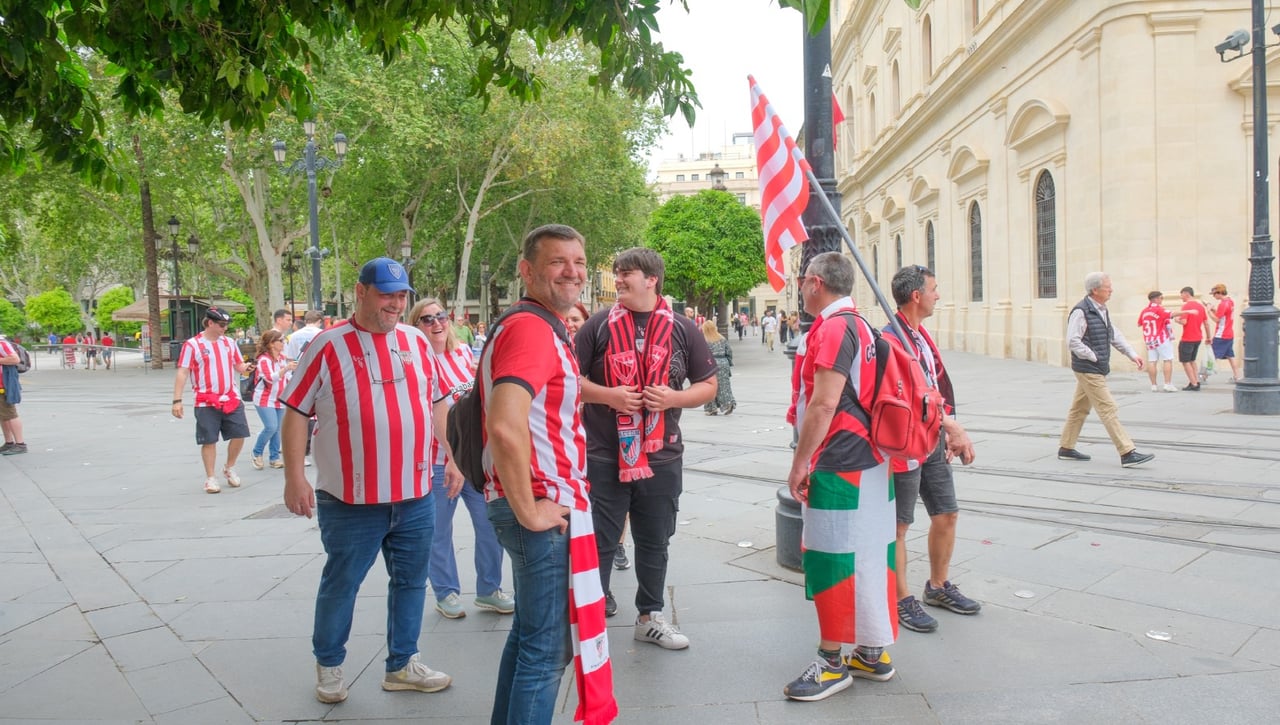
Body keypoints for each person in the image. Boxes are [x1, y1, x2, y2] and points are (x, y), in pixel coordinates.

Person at [281, 257, 451, 705]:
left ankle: (402, 664)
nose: (395, 304)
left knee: (413, 582)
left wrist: (454, 457)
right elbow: (296, 410)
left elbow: (439, 405)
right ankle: (330, 664)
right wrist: (294, 477)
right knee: (342, 582)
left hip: (415, 493)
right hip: (351, 499)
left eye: (401, 296)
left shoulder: (417, 341)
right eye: (386, 294)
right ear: (361, 292)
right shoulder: (327, 345)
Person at [480, 224, 616, 724]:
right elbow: (504, 424)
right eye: (558, 262)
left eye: (579, 262)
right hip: (544, 504)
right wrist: (528, 508)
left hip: (544, 500)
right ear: (528, 271)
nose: (573, 272)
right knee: (547, 651)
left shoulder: (536, 326)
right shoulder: (532, 328)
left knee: (529, 638)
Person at [578, 246, 717, 649]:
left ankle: (649, 615)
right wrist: (610, 395)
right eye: (617, 272)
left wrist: (672, 399)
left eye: (626, 274)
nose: (617, 279)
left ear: (651, 279)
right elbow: (569, 379)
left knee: (655, 539)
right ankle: (588, 621)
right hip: (604, 454)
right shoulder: (599, 325)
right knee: (600, 541)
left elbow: (709, 387)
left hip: (662, 453)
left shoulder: (682, 328)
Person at [783, 252, 897, 702]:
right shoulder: (863, 325)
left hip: (838, 461)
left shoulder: (831, 328)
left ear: (814, 283)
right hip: (872, 459)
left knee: (830, 558)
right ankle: (872, 650)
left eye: (800, 280)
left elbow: (824, 403)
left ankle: (832, 663)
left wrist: (800, 463)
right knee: (872, 553)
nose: (798, 286)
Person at [884, 266, 978, 635]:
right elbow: (907, 398)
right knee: (900, 525)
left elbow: (935, 385)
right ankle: (900, 598)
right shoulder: (892, 340)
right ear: (916, 296)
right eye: (934, 289)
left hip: (933, 439)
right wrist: (950, 425)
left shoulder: (919, 337)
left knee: (946, 513)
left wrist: (948, 426)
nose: (938, 295)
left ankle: (937, 587)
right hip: (906, 443)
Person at [409, 297, 514, 620]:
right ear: (415, 328)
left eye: (440, 316)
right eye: (427, 320)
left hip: (473, 457)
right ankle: (446, 592)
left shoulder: (463, 354)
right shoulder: (416, 363)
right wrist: (452, 459)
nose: (437, 323)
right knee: (438, 530)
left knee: (490, 524)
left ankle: (489, 588)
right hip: (438, 461)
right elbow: (428, 414)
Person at [1056, 273, 1155, 468]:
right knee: (1108, 408)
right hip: (1088, 368)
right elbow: (1072, 341)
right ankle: (1127, 452)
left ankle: (1066, 448)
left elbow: (1113, 334)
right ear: (1095, 290)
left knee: (1080, 408)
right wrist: (1093, 356)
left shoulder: (1101, 309)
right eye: (1108, 287)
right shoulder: (1081, 311)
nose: (1111, 290)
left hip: (1095, 366)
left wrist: (1132, 354)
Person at [171, 308, 254, 493]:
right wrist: (177, 400)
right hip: (206, 400)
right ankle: (210, 477)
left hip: (231, 397)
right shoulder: (192, 345)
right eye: (222, 325)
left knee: (240, 434)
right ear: (210, 323)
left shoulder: (230, 343)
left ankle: (229, 466)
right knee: (209, 440)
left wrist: (247, 367)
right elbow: (183, 371)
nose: (225, 328)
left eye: (226, 325)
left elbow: (239, 366)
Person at [250, 329, 294, 470]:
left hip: (280, 398)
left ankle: (274, 457)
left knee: (278, 429)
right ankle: (257, 452)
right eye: (280, 341)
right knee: (271, 426)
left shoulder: (281, 358)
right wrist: (287, 368)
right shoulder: (264, 359)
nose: (283, 343)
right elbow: (270, 378)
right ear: (271, 344)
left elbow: (287, 378)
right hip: (264, 398)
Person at [1171, 286, 1211, 391]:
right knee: (1192, 360)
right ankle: (1196, 380)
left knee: (1185, 361)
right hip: (1198, 337)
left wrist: (1176, 320)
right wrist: (1208, 336)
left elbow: (1184, 322)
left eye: (1181, 295)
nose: (1181, 297)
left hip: (1188, 338)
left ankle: (1193, 383)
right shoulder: (1201, 307)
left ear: (1186, 293)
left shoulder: (1186, 307)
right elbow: (1206, 323)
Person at [1137, 291, 1177, 392]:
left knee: (1152, 361)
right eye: (1161, 298)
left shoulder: (1144, 311)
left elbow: (1139, 323)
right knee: (1167, 359)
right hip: (1161, 338)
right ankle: (1167, 383)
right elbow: (1171, 314)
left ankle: (1153, 385)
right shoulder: (1159, 309)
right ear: (1156, 299)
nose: (1162, 300)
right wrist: (1188, 312)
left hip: (1150, 339)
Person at [1207, 283, 1243, 382]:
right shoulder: (1230, 301)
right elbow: (1223, 316)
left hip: (1221, 334)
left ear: (1219, 293)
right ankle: (1237, 376)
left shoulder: (1223, 304)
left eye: (1214, 294)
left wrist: (1209, 311)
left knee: (1212, 355)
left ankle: (1203, 376)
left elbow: (1217, 319)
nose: (1214, 296)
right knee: (1230, 356)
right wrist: (1214, 309)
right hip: (1229, 333)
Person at [701, 320, 736, 416]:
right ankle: (728, 403)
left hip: (710, 364)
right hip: (723, 362)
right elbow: (729, 351)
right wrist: (728, 361)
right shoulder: (722, 338)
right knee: (725, 386)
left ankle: (711, 408)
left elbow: (701, 354)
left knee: (709, 386)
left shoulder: (703, 340)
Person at [0, 334, 27, 455]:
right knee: (4, 416)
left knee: (10, 414)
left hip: (4, 385)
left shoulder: (2, 344)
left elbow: (15, 359)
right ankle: (9, 442)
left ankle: (20, 444)